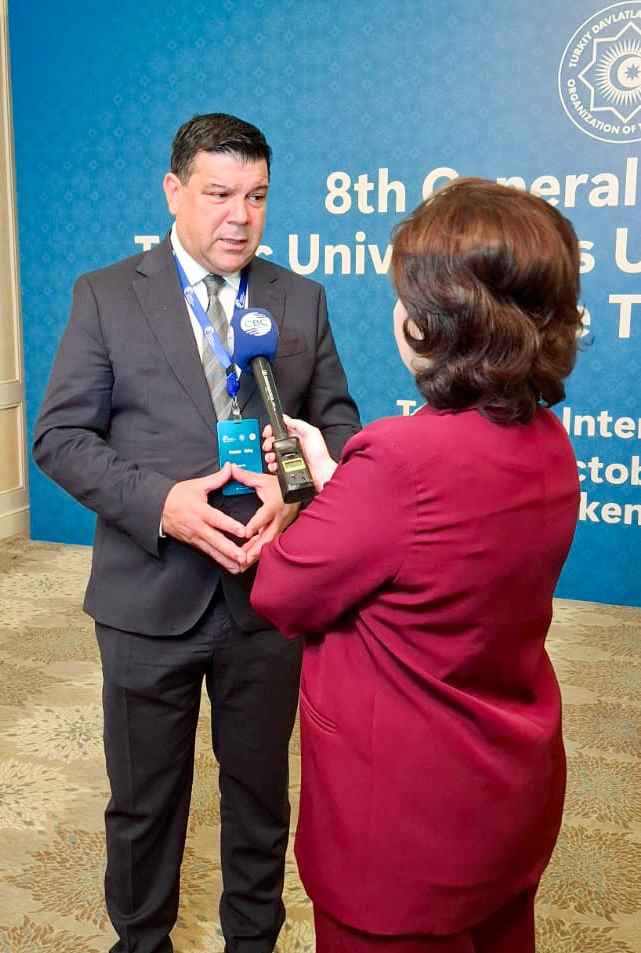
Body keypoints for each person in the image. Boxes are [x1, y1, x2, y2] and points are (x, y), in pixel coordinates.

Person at [32, 112, 360, 953]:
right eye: (218, 194)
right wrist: (162, 504)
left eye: (257, 196)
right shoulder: (106, 294)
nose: (239, 217)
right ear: (174, 191)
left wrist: (295, 492)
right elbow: (60, 438)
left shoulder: (299, 297)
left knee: (260, 795)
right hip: (148, 597)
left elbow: (337, 426)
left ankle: (252, 940)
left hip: (267, 593)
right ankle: (142, 941)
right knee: (144, 801)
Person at [251, 178, 582, 953]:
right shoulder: (547, 441)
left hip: (399, 828)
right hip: (505, 798)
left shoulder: (400, 459)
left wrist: (312, 499)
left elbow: (282, 589)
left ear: (434, 320)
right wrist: (341, 481)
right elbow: (432, 550)